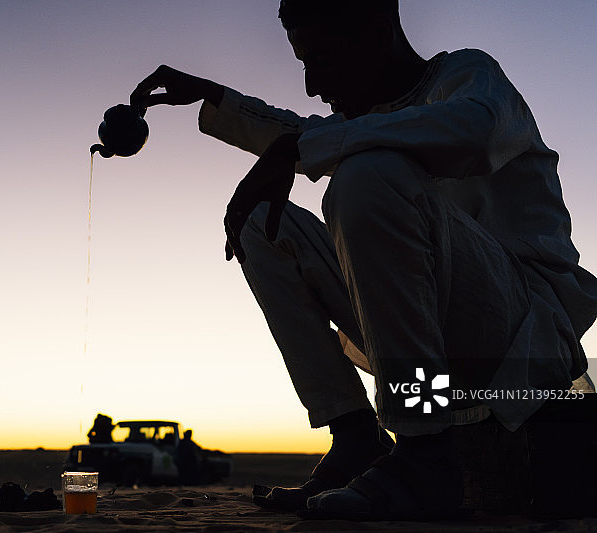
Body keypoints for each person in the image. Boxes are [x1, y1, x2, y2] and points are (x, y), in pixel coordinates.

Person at [130, 0, 597, 520]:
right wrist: (216, 99)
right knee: (267, 220)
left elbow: (473, 132)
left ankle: (423, 452)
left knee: (368, 174)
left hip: (520, 335)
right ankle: (355, 434)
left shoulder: (471, 77)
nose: (312, 86)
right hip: (428, 345)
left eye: (321, 61)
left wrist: (299, 148)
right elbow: (305, 131)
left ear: (378, 28)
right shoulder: (374, 122)